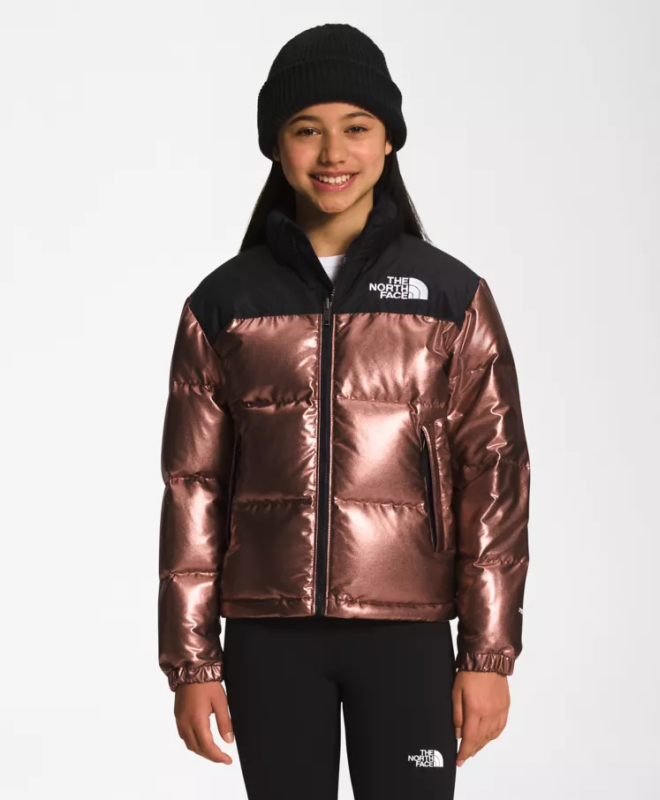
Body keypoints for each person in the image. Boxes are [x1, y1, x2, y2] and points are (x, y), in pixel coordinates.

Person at [157, 22, 530, 800]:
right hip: (267, 637)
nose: (332, 152)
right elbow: (193, 489)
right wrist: (192, 663)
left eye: (356, 127)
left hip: (406, 633)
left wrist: (486, 655)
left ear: (388, 140)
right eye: (306, 129)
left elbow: (493, 477)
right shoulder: (224, 304)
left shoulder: (450, 297)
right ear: (275, 145)